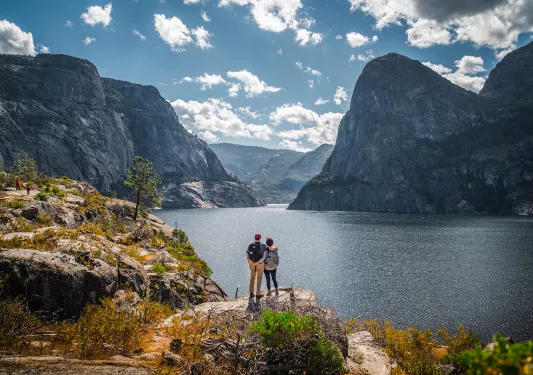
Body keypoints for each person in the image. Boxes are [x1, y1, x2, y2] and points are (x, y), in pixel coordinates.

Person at [246, 233, 267, 299]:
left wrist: (249, 264)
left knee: (252, 278)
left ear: (255, 238)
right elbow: (265, 256)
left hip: (252, 263)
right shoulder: (263, 245)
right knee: (259, 278)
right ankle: (258, 293)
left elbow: (247, 256)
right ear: (260, 238)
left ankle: (251, 293)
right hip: (260, 264)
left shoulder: (251, 245)